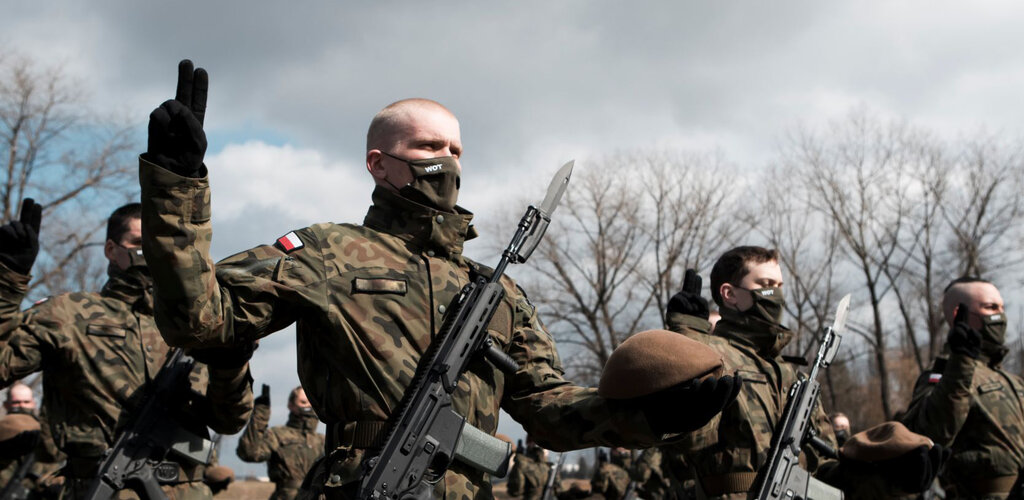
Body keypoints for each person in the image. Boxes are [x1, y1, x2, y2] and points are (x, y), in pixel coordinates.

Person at [137, 59, 740, 499]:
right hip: (361, 483)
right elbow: (202, 320)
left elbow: (551, 410)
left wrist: (653, 413)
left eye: (455, 149)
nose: (445, 161)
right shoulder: (327, 250)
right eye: (427, 146)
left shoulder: (496, 292)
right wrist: (175, 186)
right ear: (379, 163)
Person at [0, 200, 255, 500]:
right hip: (99, 489)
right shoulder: (66, 314)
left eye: (157, 244)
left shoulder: (196, 323)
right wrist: (8, 279)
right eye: (138, 242)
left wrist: (232, 364)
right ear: (111, 249)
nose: (150, 253)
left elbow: (229, 421)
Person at [662, 247, 948, 499]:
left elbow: (823, 472)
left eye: (779, 285)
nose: (776, 294)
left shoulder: (790, 376)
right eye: (766, 284)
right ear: (730, 294)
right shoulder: (712, 355)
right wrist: (685, 341)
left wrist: (892, 480)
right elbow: (685, 443)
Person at [901, 277, 1024, 499]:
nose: (1000, 315)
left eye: (1002, 307)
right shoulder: (946, 374)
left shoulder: (1011, 380)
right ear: (960, 314)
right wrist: (961, 365)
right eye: (990, 307)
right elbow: (925, 435)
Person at [237, 385, 325, 500]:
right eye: (303, 402)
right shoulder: (277, 435)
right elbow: (249, 453)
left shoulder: (323, 440)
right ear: (291, 405)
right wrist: (261, 414)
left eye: (310, 402)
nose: (308, 407)